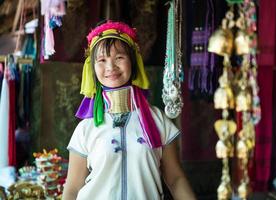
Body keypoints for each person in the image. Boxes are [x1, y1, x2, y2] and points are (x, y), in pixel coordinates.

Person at [62, 20, 196, 200]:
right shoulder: (86, 128)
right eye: (102, 60)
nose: (110, 67)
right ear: (93, 68)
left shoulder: (158, 120)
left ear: (132, 62)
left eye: (119, 57)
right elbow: (72, 188)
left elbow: (175, 179)